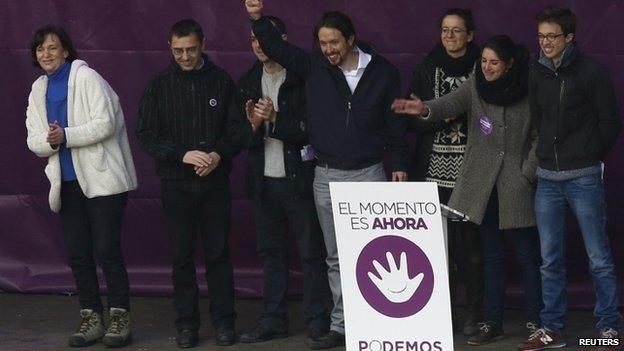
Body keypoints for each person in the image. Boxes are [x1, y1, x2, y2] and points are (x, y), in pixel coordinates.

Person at [244, 1, 409, 349]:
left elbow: (396, 123)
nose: (329, 49)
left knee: (376, 253)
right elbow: (274, 47)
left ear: (351, 39)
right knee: (335, 256)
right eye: (322, 43)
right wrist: (257, 17)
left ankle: (378, 322)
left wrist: (399, 165)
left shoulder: (384, 72)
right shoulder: (314, 66)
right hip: (326, 176)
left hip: (370, 173)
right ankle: (342, 326)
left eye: (334, 42)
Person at [392, 35, 542, 346]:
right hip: (481, 186)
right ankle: (493, 322)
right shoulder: (476, 84)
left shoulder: (530, 89)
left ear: (509, 63)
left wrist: (527, 173)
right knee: (492, 255)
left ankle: (536, 320)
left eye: (494, 63)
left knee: (528, 256)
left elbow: (541, 134)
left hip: (516, 184)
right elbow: (450, 103)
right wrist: (423, 108)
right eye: (483, 61)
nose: (487, 67)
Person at [25, 25, 137, 348]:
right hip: (68, 184)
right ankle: (91, 317)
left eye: (52, 48)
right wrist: (49, 141)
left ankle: (120, 317)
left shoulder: (87, 78)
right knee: (78, 253)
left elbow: (107, 122)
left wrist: (66, 135)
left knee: (107, 250)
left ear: (66, 51)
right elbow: (33, 138)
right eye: (40, 49)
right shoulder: (37, 90)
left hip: (104, 183)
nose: (46, 54)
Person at [519, 7, 622, 351]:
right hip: (547, 178)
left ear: (569, 38)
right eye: (541, 36)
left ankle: (607, 328)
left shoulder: (592, 72)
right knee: (550, 258)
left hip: (583, 178)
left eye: (552, 36)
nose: (545, 43)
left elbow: (610, 122)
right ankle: (552, 329)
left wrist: (589, 155)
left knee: (598, 257)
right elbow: (538, 117)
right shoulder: (536, 72)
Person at [135, 19, 242, 348]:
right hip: (175, 185)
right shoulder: (159, 84)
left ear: (203, 45)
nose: (185, 56)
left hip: (215, 186)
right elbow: (145, 133)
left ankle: (224, 323)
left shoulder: (221, 81)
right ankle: (186, 325)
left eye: (191, 49)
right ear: (170, 46)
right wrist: (181, 154)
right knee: (182, 258)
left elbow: (237, 131)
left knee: (219, 255)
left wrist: (217, 155)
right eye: (178, 50)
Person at [235, 15, 331, 343]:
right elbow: (240, 140)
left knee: (310, 253)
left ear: (284, 40)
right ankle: (273, 320)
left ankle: (319, 319)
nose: (259, 45)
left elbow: (312, 131)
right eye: (253, 40)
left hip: (298, 180)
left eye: (266, 38)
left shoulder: (303, 78)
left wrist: (275, 119)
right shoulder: (247, 81)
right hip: (263, 182)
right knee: (271, 254)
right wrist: (253, 126)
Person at [406, 8, 483, 336]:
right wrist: (439, 115)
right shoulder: (426, 68)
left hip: (474, 174)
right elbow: (411, 118)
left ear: (470, 35)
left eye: (456, 30)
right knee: (438, 249)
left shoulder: (485, 66)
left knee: (472, 249)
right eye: (445, 30)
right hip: (433, 174)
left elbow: (498, 117)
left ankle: (474, 312)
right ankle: (442, 312)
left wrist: (460, 115)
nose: (449, 36)